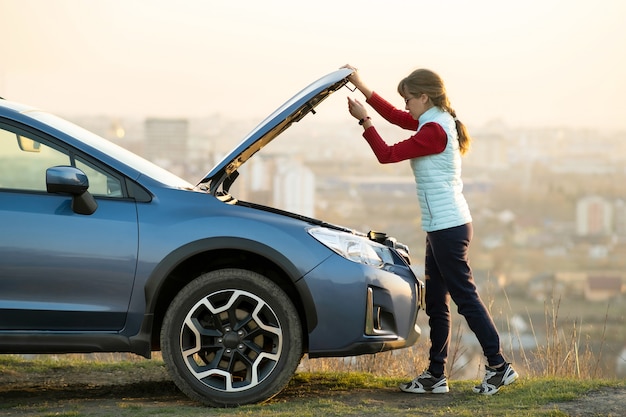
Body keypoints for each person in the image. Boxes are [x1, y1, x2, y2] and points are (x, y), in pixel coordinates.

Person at [342, 64, 518, 395]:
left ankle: (499, 366)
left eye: (409, 99)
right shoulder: (434, 120)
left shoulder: (434, 130)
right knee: (436, 302)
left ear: (424, 97)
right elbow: (396, 117)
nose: (406, 105)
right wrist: (361, 87)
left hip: (448, 229)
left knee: (465, 299)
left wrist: (365, 121)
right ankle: (436, 375)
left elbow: (387, 154)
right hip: (440, 227)